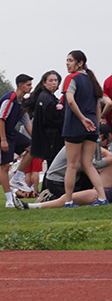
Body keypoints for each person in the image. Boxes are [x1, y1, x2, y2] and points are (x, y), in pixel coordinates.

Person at [14, 124, 112, 209]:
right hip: (57, 181)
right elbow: (92, 164)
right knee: (71, 197)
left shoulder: (84, 142)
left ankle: (47, 200)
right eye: (107, 141)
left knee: (78, 195)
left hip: (64, 178)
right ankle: (50, 199)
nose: (106, 146)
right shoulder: (83, 144)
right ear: (100, 136)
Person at [60, 50, 108, 207]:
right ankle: (102, 198)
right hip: (91, 127)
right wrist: (96, 122)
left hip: (75, 126)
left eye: (70, 60)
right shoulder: (92, 81)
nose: (67, 63)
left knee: (72, 165)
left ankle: (68, 201)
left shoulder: (70, 78)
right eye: (66, 60)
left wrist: (82, 119)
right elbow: (99, 105)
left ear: (79, 63)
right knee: (88, 164)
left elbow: (71, 101)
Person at [0, 74, 35, 207]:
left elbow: (27, 124)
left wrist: (37, 140)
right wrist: (3, 140)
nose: (31, 87)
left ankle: (18, 178)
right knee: (4, 166)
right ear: (20, 86)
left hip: (11, 132)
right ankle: (9, 200)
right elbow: (0, 119)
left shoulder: (23, 103)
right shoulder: (10, 99)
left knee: (33, 148)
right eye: (28, 85)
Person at [23, 70, 64, 182]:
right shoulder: (46, 98)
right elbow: (53, 119)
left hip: (51, 139)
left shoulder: (48, 97)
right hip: (51, 140)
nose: (54, 83)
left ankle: (47, 192)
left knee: (53, 167)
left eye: (56, 80)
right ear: (44, 83)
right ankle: (48, 192)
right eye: (50, 80)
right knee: (53, 168)